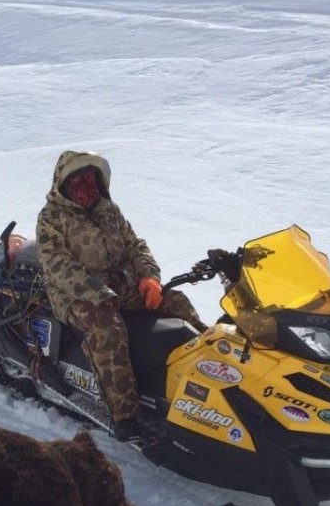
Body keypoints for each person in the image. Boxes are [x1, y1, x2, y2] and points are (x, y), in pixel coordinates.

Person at [36, 150, 207, 442]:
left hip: (121, 285)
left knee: (175, 300)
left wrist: (149, 277)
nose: (85, 188)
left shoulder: (108, 211)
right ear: (63, 184)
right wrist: (97, 292)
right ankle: (124, 413)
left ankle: (210, 370)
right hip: (76, 294)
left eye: (91, 181)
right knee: (108, 329)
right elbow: (56, 265)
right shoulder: (52, 218)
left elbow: (135, 245)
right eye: (78, 182)